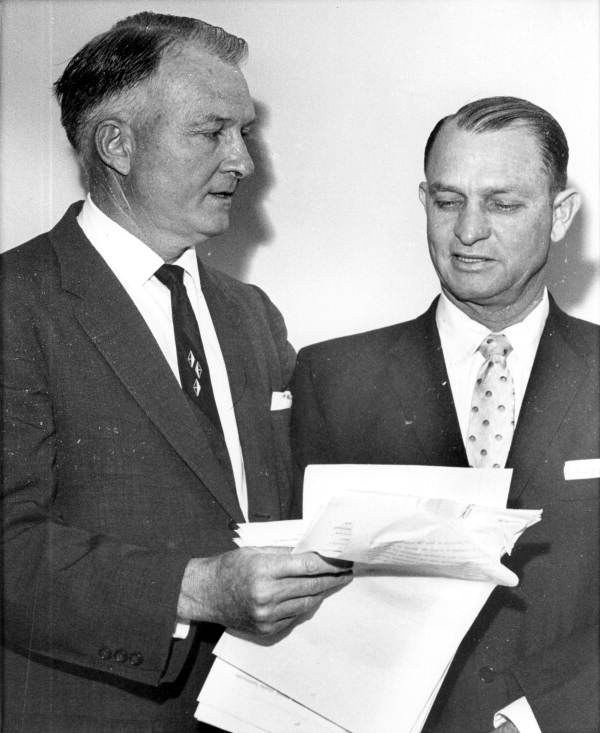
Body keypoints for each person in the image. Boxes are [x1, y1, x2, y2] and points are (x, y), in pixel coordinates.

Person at [1, 12, 351, 732]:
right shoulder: (16, 303)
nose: (245, 161)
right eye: (212, 130)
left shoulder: (251, 313)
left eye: (244, 131)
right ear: (117, 144)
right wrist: (193, 588)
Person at [291, 97, 598, 733]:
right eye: (447, 200)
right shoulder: (332, 377)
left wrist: (548, 713)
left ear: (560, 214)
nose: (468, 231)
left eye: (504, 203)